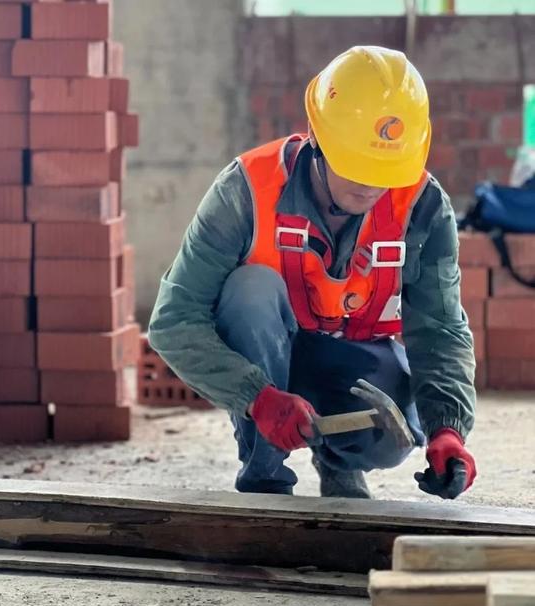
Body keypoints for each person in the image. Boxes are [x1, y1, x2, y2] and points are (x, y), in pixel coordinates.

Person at [148, 46, 477, 500]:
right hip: (265, 350)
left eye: (386, 170)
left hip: (354, 358)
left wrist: (449, 429)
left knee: (391, 430)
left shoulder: (422, 205)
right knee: (250, 290)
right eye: (357, 165)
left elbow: (440, 330)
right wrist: (256, 397)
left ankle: (340, 464)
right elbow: (173, 321)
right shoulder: (245, 191)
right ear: (319, 138)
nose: (370, 184)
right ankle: (264, 472)